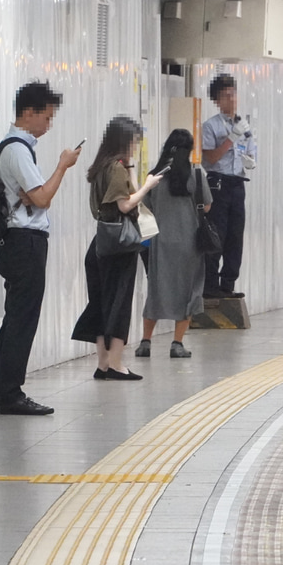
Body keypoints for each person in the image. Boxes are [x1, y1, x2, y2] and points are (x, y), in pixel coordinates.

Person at [0, 82, 81, 415]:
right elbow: (41, 198)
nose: (49, 124)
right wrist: (63, 166)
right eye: (47, 116)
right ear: (28, 113)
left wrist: (37, 192)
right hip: (25, 242)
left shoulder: (16, 148)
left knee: (15, 318)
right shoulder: (15, 148)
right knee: (22, 319)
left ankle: (4, 392)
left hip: (20, 242)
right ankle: (11, 393)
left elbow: (33, 196)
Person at [72, 116, 163, 379]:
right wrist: (148, 185)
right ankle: (116, 364)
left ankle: (103, 364)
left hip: (101, 242)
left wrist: (132, 170)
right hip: (120, 244)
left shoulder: (102, 166)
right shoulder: (116, 169)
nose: (136, 145)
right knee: (120, 302)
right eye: (134, 141)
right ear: (124, 140)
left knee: (101, 302)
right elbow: (126, 204)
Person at [137, 129, 214, 358]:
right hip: (190, 244)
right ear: (189, 150)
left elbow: (146, 205)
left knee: (157, 291)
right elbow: (207, 205)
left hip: (161, 243)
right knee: (188, 292)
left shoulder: (155, 176)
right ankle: (177, 344)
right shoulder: (196, 175)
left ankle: (145, 342)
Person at [201, 74, 256, 299]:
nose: (232, 99)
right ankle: (211, 285)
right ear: (217, 100)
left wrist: (250, 159)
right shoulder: (210, 126)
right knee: (217, 235)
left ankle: (228, 284)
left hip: (237, 184)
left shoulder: (243, 125)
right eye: (226, 96)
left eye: (233, 94)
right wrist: (231, 139)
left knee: (235, 236)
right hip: (218, 184)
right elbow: (210, 159)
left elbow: (251, 151)